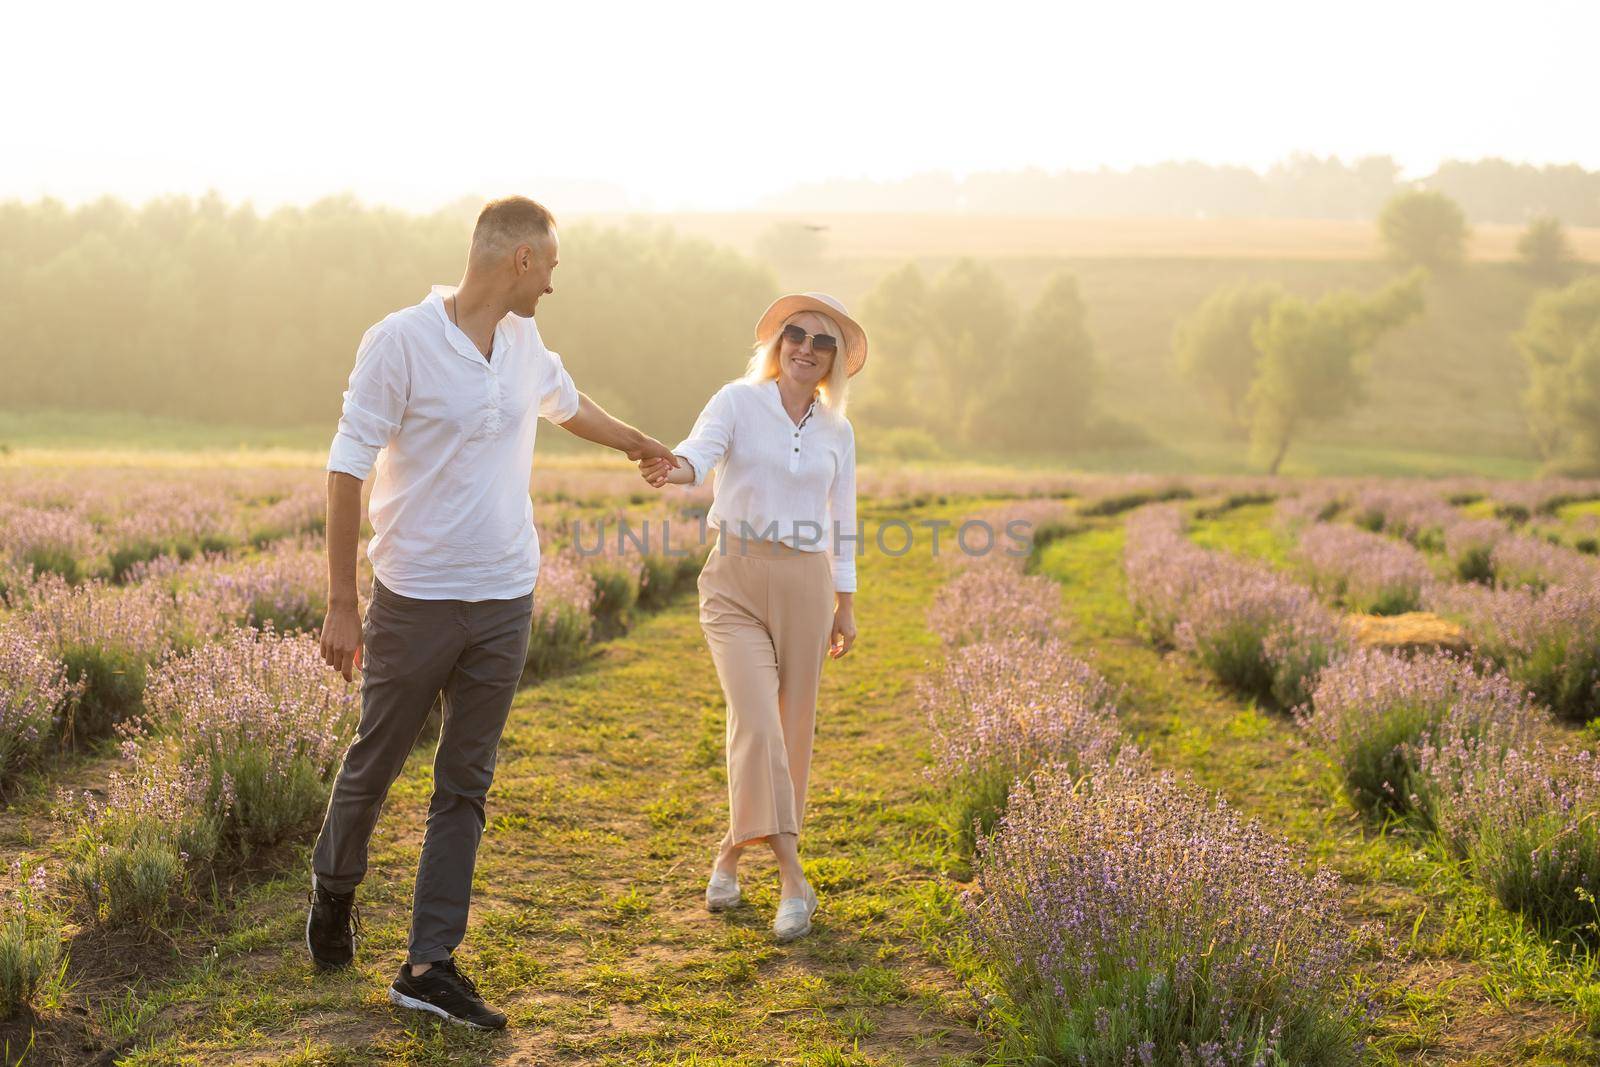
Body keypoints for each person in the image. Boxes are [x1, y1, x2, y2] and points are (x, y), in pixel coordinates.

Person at [307, 195, 679, 1030]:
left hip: (507, 593)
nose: (552, 283)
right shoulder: (398, 341)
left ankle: (429, 963)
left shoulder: (523, 342)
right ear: (518, 260)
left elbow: (568, 403)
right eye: (549, 265)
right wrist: (343, 601)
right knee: (377, 759)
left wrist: (639, 443)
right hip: (415, 598)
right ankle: (334, 886)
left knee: (465, 781)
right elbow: (346, 468)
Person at [638, 292, 865, 942]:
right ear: (777, 342)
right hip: (733, 579)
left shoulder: (838, 432)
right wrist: (674, 467)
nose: (804, 347)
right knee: (759, 720)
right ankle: (795, 876)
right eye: (795, 333)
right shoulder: (737, 401)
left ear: (833, 362)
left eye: (821, 342)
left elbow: (842, 519)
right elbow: (697, 453)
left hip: (807, 582)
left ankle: (730, 855)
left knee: (788, 733)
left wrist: (845, 602)